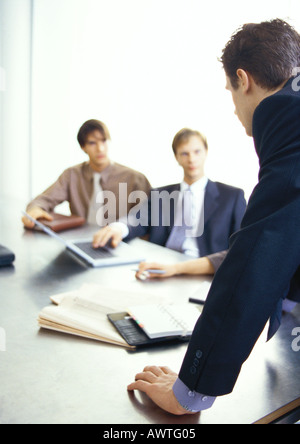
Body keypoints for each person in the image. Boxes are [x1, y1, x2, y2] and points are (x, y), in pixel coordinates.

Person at [127, 19, 300, 415]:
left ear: (244, 80)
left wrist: (191, 389)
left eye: (230, 92)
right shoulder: (162, 194)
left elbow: (257, 256)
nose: (236, 110)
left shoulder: (287, 119)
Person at [92, 129, 246, 261]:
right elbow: (136, 218)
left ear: (206, 152)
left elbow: (242, 247)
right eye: (184, 153)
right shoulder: (160, 194)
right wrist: (118, 228)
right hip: (161, 265)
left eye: (197, 152)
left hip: (204, 271)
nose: (191, 159)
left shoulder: (232, 197)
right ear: (177, 158)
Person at [22, 119, 151, 228]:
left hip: (120, 242)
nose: (100, 148)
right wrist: (35, 209)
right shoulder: (72, 175)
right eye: (92, 143)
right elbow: (43, 200)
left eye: (104, 141)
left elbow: (149, 217)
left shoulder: (135, 179)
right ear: (83, 147)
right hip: (81, 240)